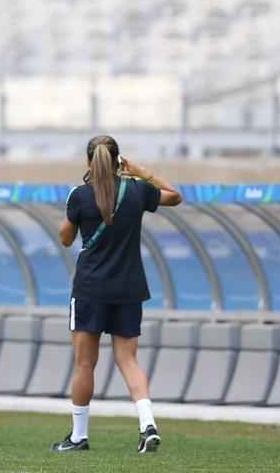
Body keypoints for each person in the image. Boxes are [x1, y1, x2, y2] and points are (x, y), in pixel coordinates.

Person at [50, 135, 182, 455]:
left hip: (90, 290)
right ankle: (147, 424)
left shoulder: (79, 195)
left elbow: (65, 238)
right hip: (128, 287)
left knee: (85, 364)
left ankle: (79, 436)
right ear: (119, 160)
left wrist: (73, 219)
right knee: (128, 359)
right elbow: (175, 196)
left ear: (88, 162)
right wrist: (140, 171)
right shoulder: (137, 190)